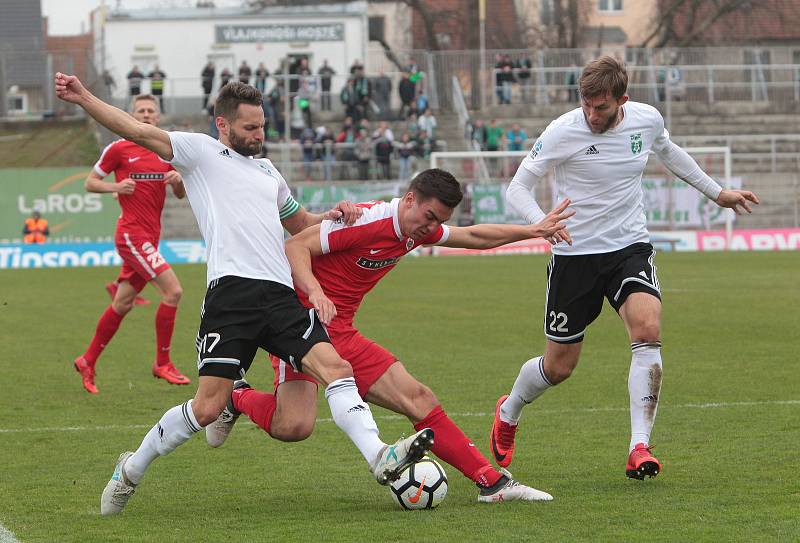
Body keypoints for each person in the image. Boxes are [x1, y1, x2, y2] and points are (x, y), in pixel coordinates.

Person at [55, 72, 437, 516]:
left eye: (262, 127)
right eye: (251, 128)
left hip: (279, 296)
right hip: (230, 295)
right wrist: (83, 97)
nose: (260, 135)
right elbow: (135, 130)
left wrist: (334, 216)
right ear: (224, 124)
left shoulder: (268, 171)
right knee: (206, 407)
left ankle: (378, 456)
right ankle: (131, 469)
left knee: (335, 365)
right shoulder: (199, 153)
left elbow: (299, 224)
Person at [206, 169, 574, 503]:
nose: (431, 229)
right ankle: (236, 397)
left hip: (342, 330)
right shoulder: (366, 220)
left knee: (418, 397)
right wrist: (316, 292)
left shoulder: (417, 229)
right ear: (410, 199)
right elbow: (295, 246)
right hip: (299, 327)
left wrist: (534, 230)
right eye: (429, 217)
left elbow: (474, 235)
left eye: (439, 223)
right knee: (294, 425)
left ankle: (493, 484)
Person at [491, 55, 760, 481]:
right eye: (586, 105)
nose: (592, 115)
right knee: (559, 367)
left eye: (602, 107)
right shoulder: (563, 129)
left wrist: (717, 192)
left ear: (623, 100)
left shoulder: (646, 120)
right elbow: (517, 186)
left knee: (647, 329)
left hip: (628, 247)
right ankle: (510, 409)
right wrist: (540, 222)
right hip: (574, 255)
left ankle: (639, 445)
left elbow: (671, 153)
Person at [72, 93, 190, 395]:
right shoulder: (119, 148)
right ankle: (162, 362)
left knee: (122, 303)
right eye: (141, 110)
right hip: (131, 234)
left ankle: (87, 360)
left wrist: (178, 182)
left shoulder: (166, 152)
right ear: (131, 114)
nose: (147, 114)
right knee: (173, 291)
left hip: (150, 237)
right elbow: (90, 182)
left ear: (158, 117)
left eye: (152, 111)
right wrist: (116, 186)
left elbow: (179, 196)